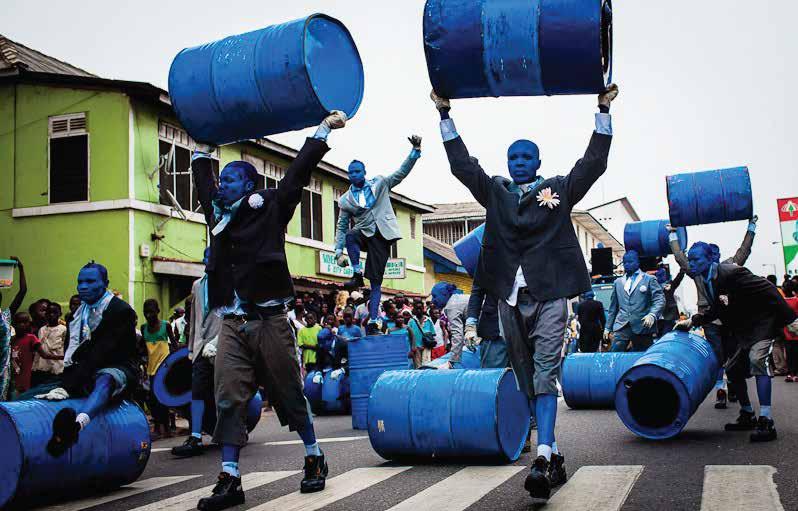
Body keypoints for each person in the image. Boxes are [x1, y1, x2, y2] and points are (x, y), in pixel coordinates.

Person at [431, 82, 618, 500]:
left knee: (545, 374)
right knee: (525, 379)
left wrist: (603, 112)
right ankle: (555, 454)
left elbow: (593, 165)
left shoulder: (558, 189)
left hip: (550, 295)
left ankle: (542, 457)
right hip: (508, 300)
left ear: (538, 162)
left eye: (526, 157)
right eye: (513, 157)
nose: (518, 163)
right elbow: (463, 167)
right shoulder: (495, 193)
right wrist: (445, 116)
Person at [191, 111, 346, 509]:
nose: (222, 185)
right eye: (222, 179)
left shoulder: (271, 207)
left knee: (289, 392)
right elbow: (203, 181)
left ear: (249, 185)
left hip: (270, 320)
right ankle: (230, 478)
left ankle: (313, 456)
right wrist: (202, 145)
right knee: (228, 397)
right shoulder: (218, 214)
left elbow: (296, 175)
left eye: (230, 179)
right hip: (231, 323)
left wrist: (323, 131)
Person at [676, 242, 798, 442]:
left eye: (696, 259)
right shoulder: (706, 279)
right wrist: (693, 321)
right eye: (690, 260)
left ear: (710, 259)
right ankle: (747, 414)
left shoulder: (732, 273)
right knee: (732, 370)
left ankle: (766, 420)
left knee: (758, 360)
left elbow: (768, 289)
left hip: (762, 324)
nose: (692, 263)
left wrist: (791, 320)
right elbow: (717, 308)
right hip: (744, 330)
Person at [35, 262, 140, 457]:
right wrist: (65, 381)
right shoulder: (77, 314)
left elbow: (102, 352)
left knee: (105, 378)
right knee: (37, 392)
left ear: (105, 284)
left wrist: (69, 385)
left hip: (117, 367)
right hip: (83, 370)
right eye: (80, 282)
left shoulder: (120, 311)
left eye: (90, 281)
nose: (83, 287)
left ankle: (77, 426)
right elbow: (73, 352)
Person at [333, 136, 423, 334]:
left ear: (364, 172)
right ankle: (357, 273)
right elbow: (341, 226)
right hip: (364, 233)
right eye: (350, 172)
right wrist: (338, 251)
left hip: (382, 236)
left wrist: (415, 151)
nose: (354, 175)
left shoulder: (380, 183)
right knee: (350, 234)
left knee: (375, 282)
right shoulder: (345, 200)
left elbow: (400, 173)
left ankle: (373, 319)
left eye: (357, 171)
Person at [668, 218, 757, 408]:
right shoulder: (697, 271)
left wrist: (751, 227)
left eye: (715, 254)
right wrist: (672, 234)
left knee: (733, 355)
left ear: (715, 256)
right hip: (708, 319)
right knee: (717, 355)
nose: (714, 257)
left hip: (730, 320)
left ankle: (734, 385)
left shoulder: (729, 268)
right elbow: (680, 258)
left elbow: (744, 250)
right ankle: (720, 390)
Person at [173, 247, 223, 458]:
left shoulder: (230, 283)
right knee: (197, 390)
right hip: (201, 346)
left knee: (223, 392)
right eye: (206, 259)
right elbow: (194, 318)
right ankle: (195, 436)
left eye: (212, 258)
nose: (208, 262)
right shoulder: (197, 285)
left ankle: (228, 431)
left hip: (223, 344)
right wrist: (192, 348)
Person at [605, 251, 665, 352]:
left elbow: (659, 299)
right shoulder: (618, 282)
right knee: (614, 354)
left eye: (630, 262)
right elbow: (613, 308)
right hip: (622, 325)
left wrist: (652, 314)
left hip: (642, 325)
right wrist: (608, 327)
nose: (627, 265)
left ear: (637, 262)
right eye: (625, 262)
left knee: (643, 354)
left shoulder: (649, 279)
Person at [141, 298, 178, 439]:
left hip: (164, 368)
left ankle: (167, 428)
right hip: (151, 369)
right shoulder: (144, 328)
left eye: (151, 312)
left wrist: (173, 363)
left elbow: (174, 345)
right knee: (154, 400)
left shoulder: (165, 326)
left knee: (163, 399)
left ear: (157, 311)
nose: (148, 315)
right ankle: (157, 427)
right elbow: (143, 349)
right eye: (146, 312)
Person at [11, 312, 61, 396]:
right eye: (19, 322)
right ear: (14, 324)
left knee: (23, 396)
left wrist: (63, 357)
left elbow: (44, 355)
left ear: (29, 324)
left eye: (25, 322)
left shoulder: (31, 338)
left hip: (27, 375)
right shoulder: (11, 340)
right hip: (13, 375)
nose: (22, 325)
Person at [1, 256, 27, 401]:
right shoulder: (5, 317)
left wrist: (21, 269)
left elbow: (22, 291)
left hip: (3, 369)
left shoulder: (6, 316)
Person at [430, 282, 470, 369]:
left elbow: (457, 334)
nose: (432, 300)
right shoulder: (457, 298)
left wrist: (452, 361)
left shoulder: (451, 306)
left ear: (444, 295)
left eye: (435, 296)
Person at [31, 302, 66, 387]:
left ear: (60, 314)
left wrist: (63, 358)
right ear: (45, 314)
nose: (51, 315)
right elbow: (40, 349)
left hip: (57, 368)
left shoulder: (63, 329)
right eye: (49, 313)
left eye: (54, 312)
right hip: (42, 368)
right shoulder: (42, 330)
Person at [407, 299, 436, 366]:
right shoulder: (411, 321)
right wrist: (412, 348)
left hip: (427, 347)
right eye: (417, 308)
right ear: (414, 309)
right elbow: (409, 337)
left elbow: (433, 335)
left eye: (420, 308)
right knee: (418, 367)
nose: (419, 310)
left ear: (423, 309)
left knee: (427, 365)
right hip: (416, 348)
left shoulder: (428, 320)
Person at [784, 296, 798, 382]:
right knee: (796, 353)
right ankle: (795, 374)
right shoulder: (796, 300)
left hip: (787, 330)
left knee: (789, 354)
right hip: (796, 329)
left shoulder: (783, 301)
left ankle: (789, 374)